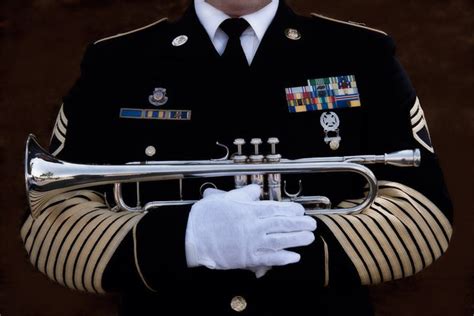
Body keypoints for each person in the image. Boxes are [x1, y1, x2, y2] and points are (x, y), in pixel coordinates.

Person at [21, 0, 453, 315]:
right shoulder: (117, 63)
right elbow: (51, 221)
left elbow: (424, 214)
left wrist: (283, 241)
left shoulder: (360, 54)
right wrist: (186, 240)